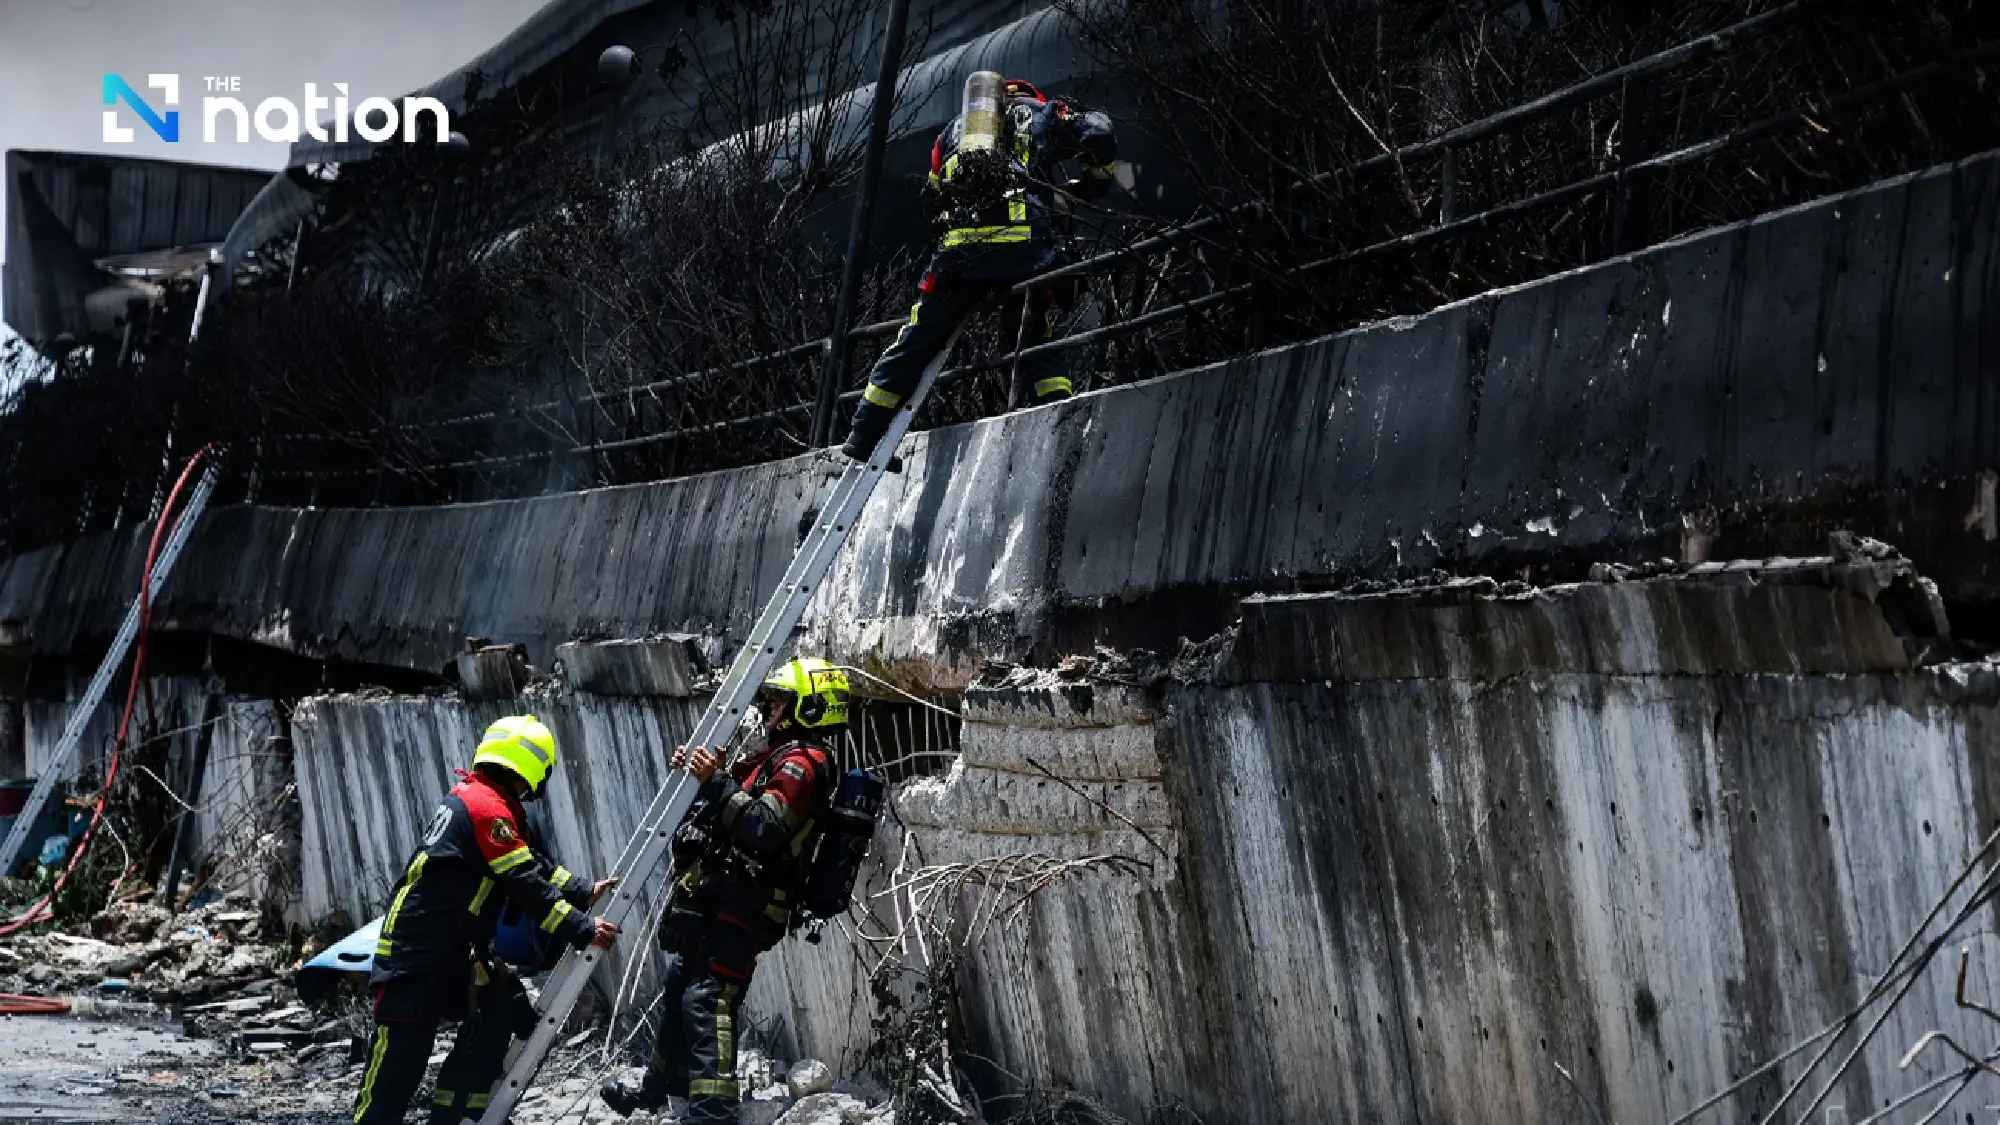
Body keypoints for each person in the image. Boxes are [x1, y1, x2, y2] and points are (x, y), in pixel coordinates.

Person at [600, 658, 850, 1121]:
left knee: (709, 997)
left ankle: (713, 1111)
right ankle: (662, 1090)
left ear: (807, 708)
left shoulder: (802, 764)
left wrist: (713, 782)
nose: (768, 709)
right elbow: (730, 807)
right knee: (680, 985)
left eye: (778, 701)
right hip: (726, 894)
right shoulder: (775, 756)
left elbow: (765, 827)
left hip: (752, 901)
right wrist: (702, 777)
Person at [352, 715, 621, 1125]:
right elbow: (523, 882)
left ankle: (457, 1114)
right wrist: (583, 929)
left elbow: (528, 863)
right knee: (396, 1071)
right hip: (418, 956)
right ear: (533, 769)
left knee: (501, 1010)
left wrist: (582, 890)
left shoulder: (482, 801)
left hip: (452, 951)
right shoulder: (485, 808)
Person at [841, 75, 1118, 462]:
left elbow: (931, 200)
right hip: (1023, 253)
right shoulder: (1042, 114)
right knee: (1036, 335)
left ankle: (864, 435)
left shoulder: (951, 135)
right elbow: (1100, 134)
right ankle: (1060, 422)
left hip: (960, 258)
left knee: (915, 341)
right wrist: (1092, 185)